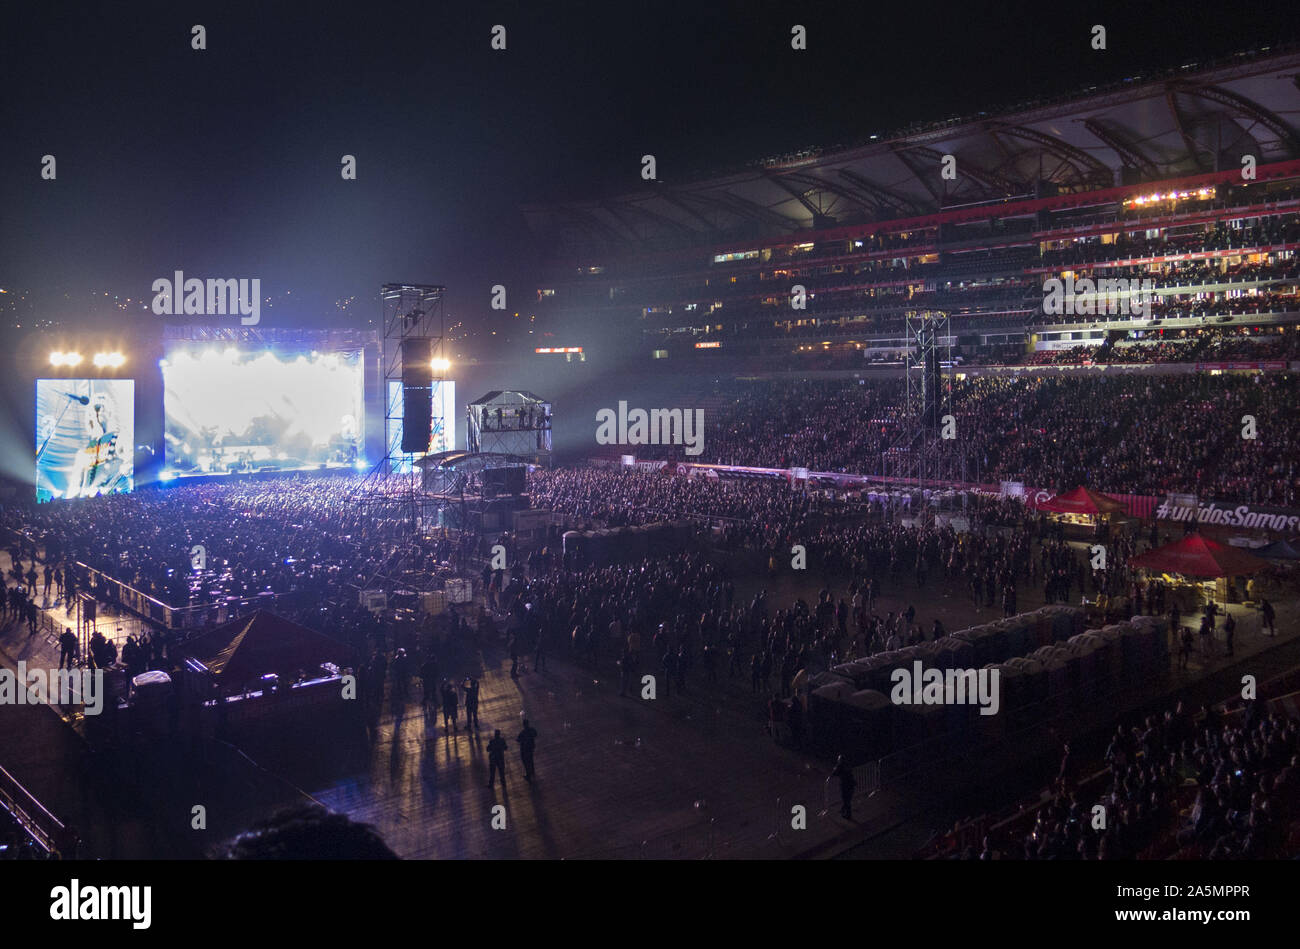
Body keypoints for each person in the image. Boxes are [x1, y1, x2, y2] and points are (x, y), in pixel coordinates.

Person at [832, 755, 856, 820]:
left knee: (846, 800)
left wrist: (835, 767)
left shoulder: (840, 766)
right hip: (851, 784)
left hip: (845, 785)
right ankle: (844, 810)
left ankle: (848, 814)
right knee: (848, 800)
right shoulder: (847, 764)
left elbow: (834, 773)